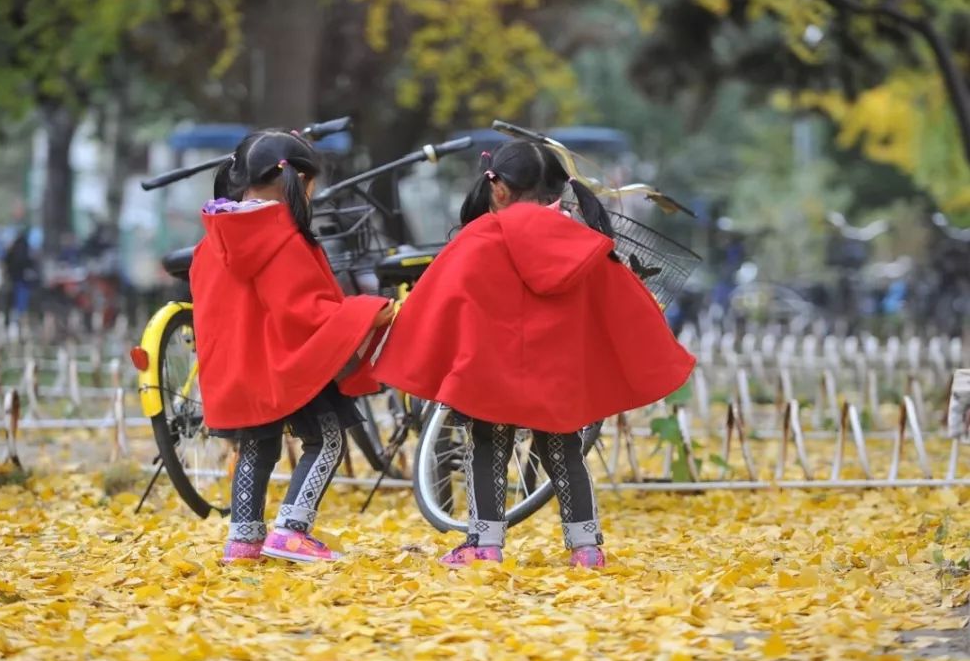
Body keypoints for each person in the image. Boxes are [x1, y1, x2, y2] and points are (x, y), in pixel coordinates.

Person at [373, 140, 695, 568]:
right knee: (564, 452)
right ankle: (586, 548)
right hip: (557, 377)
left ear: (498, 189)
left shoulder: (479, 237)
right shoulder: (585, 244)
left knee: (487, 446)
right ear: (559, 192)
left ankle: (485, 544)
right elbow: (621, 304)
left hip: (490, 373)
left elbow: (443, 299)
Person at [192, 130, 394, 564]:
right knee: (327, 440)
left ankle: (243, 540)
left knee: (256, 446)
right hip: (290, 362)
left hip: (239, 368)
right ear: (300, 181)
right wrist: (366, 313)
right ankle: (291, 529)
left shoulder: (211, 242)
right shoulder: (283, 239)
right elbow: (307, 312)